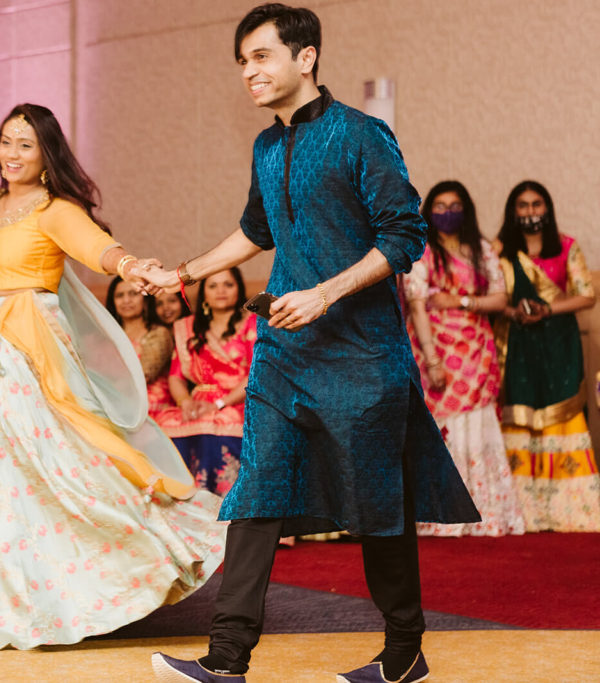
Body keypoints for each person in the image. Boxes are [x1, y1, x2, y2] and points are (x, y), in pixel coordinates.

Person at [142, 6, 479, 682]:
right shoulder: (267, 147)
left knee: (378, 503)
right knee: (257, 492)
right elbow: (256, 230)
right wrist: (185, 270)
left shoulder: (363, 135)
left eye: (261, 56)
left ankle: (403, 651)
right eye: (242, 60)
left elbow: (403, 236)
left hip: (363, 354)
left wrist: (325, 292)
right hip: (284, 356)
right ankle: (227, 658)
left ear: (306, 58)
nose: (249, 72)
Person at [0, 103, 225, 651]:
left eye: (24, 145)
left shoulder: (55, 208)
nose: (11, 154)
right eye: (5, 142)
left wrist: (138, 269)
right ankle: (1, 594)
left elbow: (98, 249)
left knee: (58, 457)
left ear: (45, 154)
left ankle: (129, 559)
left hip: (36, 348)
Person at [402, 181, 524, 537]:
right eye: (439, 206)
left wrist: (461, 302)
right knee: (443, 428)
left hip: (475, 348)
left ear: (466, 209)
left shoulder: (480, 250)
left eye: (454, 205)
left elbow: (500, 299)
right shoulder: (420, 250)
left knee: (476, 424)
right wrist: (432, 359)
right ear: (428, 212)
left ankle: (482, 510)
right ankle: (440, 516)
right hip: (433, 347)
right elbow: (416, 305)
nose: (447, 212)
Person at [494, 180, 600, 532]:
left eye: (536, 204)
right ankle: (522, 511)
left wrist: (546, 309)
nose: (530, 212)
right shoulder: (499, 251)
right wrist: (515, 312)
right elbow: (488, 295)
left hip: (558, 344)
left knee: (561, 415)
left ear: (547, 208)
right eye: (522, 206)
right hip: (518, 344)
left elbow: (586, 296)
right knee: (521, 416)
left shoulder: (566, 247)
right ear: (513, 211)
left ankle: (569, 509)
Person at [153, 268, 255, 495]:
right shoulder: (187, 327)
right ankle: (182, 505)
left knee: (220, 418)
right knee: (166, 423)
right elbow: (176, 377)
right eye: (213, 285)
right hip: (197, 402)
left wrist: (220, 403)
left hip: (240, 399)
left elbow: (256, 374)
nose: (221, 291)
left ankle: (225, 503)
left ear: (239, 289)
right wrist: (186, 402)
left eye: (228, 284)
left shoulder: (253, 323)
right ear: (203, 293)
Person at [105, 276, 175, 418]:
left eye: (133, 294)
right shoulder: (105, 336)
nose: (126, 300)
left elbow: (142, 375)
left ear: (145, 300)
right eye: (120, 295)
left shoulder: (159, 334)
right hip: (114, 400)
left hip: (151, 404)